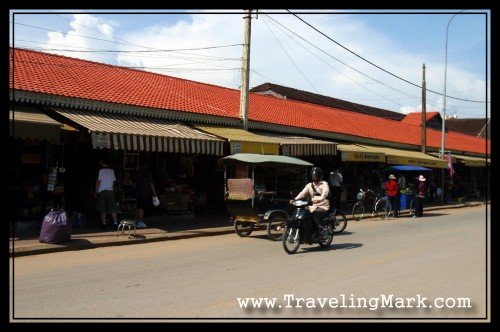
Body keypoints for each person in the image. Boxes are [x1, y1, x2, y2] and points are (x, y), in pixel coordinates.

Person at [290, 167, 330, 243]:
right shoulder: (309, 185)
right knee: (303, 212)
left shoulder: (324, 184)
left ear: (319, 176)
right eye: (313, 176)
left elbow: (324, 194)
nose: (314, 177)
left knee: (313, 213)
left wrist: (318, 199)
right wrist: (295, 199)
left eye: (315, 176)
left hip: (323, 206)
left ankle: (320, 229)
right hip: (312, 205)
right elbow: (302, 193)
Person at [95, 159, 118, 229]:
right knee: (113, 207)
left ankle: (104, 224)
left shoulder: (101, 171)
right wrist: (112, 188)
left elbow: (98, 182)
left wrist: (96, 191)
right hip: (110, 191)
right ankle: (115, 223)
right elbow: (114, 182)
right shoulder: (112, 171)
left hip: (102, 191)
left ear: (102, 163)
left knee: (102, 208)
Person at [135, 163, 157, 229]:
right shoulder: (148, 173)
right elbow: (151, 183)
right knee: (141, 207)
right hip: (145, 192)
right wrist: (154, 193)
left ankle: (137, 220)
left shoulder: (138, 173)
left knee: (139, 207)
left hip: (138, 192)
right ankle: (140, 222)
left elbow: (134, 182)